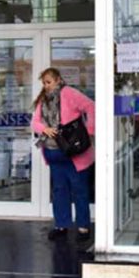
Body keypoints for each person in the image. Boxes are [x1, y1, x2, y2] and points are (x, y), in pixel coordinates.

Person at [32, 67, 95, 241]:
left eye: (49, 82)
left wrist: (89, 131)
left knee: (79, 189)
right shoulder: (42, 100)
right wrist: (45, 129)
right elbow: (35, 122)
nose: (46, 86)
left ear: (58, 79)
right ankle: (61, 225)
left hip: (74, 153)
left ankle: (83, 227)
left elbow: (91, 107)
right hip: (53, 152)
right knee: (59, 190)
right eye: (44, 83)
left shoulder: (70, 93)